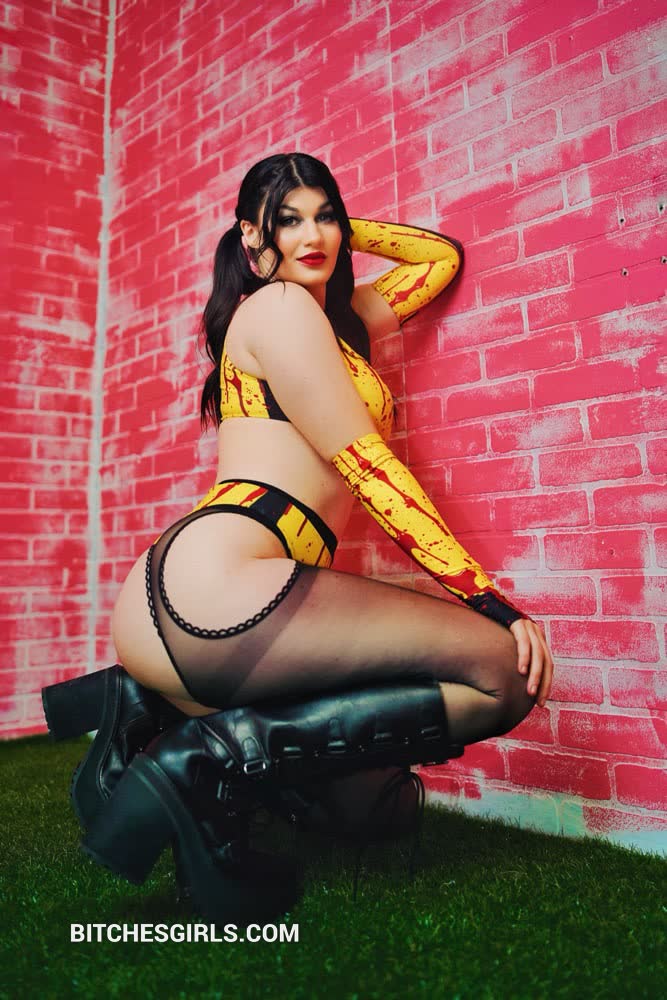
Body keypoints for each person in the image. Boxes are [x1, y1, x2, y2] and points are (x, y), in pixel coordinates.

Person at [43, 153, 553, 922]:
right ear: (253, 237)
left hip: (214, 613)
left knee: (376, 810)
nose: (312, 235)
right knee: (501, 675)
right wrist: (486, 598)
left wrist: (328, 229)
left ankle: (150, 704)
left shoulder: (339, 321)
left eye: (324, 216)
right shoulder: (280, 308)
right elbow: (365, 465)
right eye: (289, 220)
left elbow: (437, 261)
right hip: (222, 591)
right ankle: (198, 756)